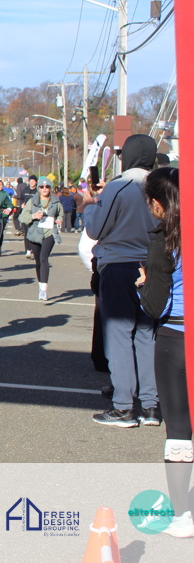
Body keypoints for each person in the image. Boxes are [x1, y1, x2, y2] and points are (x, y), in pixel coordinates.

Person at [136, 167, 193, 537]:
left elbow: (155, 306)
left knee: (179, 428)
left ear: (158, 203)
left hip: (175, 335)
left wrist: (142, 285)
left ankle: (183, 515)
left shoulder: (164, 241)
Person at [89, 134, 159, 427]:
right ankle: (151, 405)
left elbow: (95, 229)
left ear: (126, 156)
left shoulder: (119, 186)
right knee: (146, 336)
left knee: (118, 337)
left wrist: (93, 202)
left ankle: (123, 407)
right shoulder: (162, 186)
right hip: (154, 267)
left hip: (119, 265)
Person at [19, 177, 64, 301]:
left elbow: (60, 214)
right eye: (42, 187)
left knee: (44, 258)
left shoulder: (55, 201)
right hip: (35, 233)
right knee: (38, 261)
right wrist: (33, 216)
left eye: (47, 187)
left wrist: (59, 220)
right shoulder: (32, 201)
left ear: (50, 188)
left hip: (50, 233)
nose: (44, 189)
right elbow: (22, 217)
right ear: (38, 188)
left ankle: (44, 289)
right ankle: (40, 285)